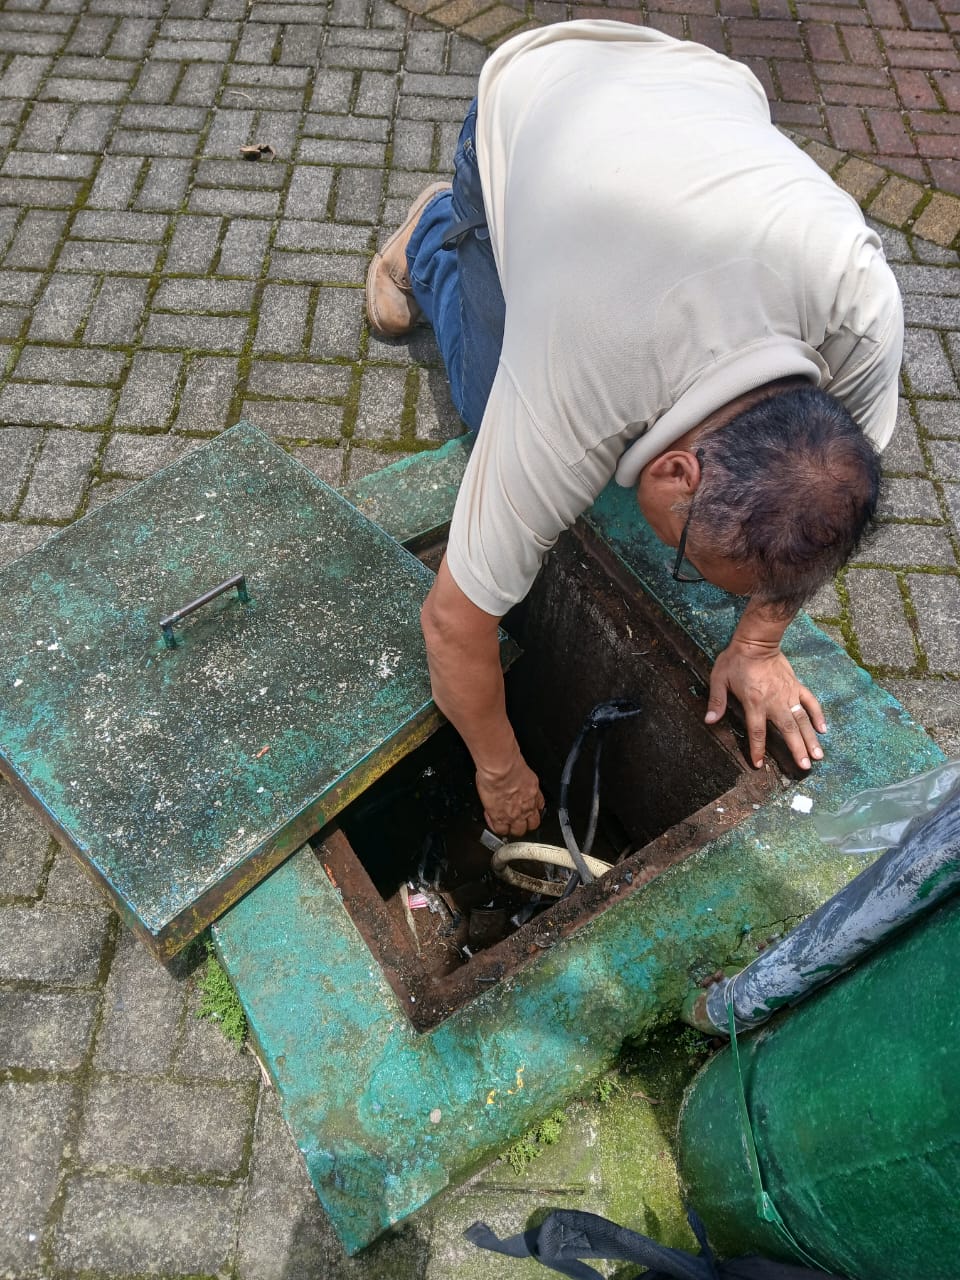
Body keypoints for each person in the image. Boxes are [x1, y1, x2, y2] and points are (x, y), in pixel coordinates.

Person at [365, 21, 903, 839]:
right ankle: (433, 238)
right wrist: (500, 767)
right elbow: (450, 625)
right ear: (679, 471)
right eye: (696, 566)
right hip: (539, 94)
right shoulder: (569, 381)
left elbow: (826, 521)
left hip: (696, 102)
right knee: (485, 397)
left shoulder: (862, 312)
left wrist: (758, 644)